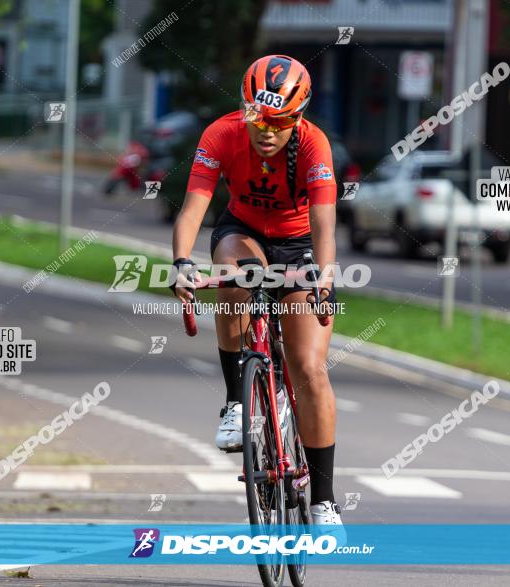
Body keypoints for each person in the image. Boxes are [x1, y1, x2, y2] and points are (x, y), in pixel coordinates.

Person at [170, 55, 342, 526]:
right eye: (256, 117)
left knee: (308, 367)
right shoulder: (221, 135)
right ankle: (235, 402)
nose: (265, 130)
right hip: (243, 231)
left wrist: (325, 276)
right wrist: (182, 264)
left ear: (298, 118)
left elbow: (325, 223)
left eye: (279, 120)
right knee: (233, 275)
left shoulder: (313, 145)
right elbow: (193, 209)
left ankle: (324, 498)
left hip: (299, 243)